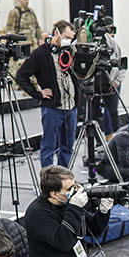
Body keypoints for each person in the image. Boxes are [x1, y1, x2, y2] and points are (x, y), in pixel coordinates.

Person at [16, 20, 78, 168]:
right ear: (56, 33)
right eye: (66, 37)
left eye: (71, 38)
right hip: (52, 108)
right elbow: (21, 75)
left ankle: (64, 179)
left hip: (71, 106)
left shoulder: (70, 52)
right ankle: (47, 181)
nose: (68, 41)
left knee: (68, 146)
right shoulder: (40, 53)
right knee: (48, 146)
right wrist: (37, 93)